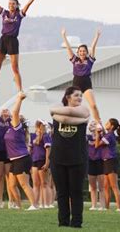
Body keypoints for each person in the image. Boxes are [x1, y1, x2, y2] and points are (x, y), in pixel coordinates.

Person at [50, 86, 90, 228]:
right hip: (58, 158)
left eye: (81, 95)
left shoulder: (84, 110)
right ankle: (63, 222)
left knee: (76, 192)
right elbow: (66, 116)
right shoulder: (58, 108)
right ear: (68, 97)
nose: (79, 98)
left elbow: (65, 115)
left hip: (77, 158)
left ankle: (77, 222)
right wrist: (81, 121)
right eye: (76, 95)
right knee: (62, 192)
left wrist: (57, 114)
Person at [4, 92, 38, 210]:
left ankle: (34, 205)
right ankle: (18, 207)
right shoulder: (9, 129)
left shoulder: (16, 127)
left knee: (24, 184)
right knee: (11, 185)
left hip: (21, 158)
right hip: (14, 160)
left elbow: (14, 112)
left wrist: (19, 99)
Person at [61, 28, 102, 124]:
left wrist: (97, 36)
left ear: (87, 52)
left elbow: (93, 47)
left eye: (84, 51)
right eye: (80, 51)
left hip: (86, 83)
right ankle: (68, 121)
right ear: (78, 53)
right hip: (76, 84)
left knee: (93, 105)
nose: (82, 53)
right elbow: (69, 48)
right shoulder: (75, 60)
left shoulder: (90, 60)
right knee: (73, 106)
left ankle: (98, 122)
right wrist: (64, 36)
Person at [96, 118, 120, 212]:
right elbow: (103, 134)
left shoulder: (109, 136)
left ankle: (119, 208)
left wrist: (97, 134)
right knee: (106, 186)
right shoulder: (108, 134)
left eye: (107, 123)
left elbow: (97, 145)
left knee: (114, 186)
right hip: (106, 161)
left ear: (112, 126)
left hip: (111, 161)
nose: (106, 124)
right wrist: (99, 125)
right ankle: (107, 207)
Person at [29, 120, 52, 209]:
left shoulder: (46, 136)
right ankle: (35, 204)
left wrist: (47, 163)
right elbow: (31, 150)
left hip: (42, 160)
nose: (38, 127)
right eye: (38, 125)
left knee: (44, 183)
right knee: (35, 183)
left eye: (40, 125)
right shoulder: (33, 136)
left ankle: (46, 204)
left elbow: (48, 150)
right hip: (35, 160)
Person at [86, 123, 105, 211]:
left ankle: (102, 206)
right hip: (90, 161)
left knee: (101, 187)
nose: (93, 127)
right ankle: (93, 205)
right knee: (93, 186)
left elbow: (104, 134)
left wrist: (99, 130)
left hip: (99, 161)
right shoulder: (88, 137)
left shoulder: (102, 137)